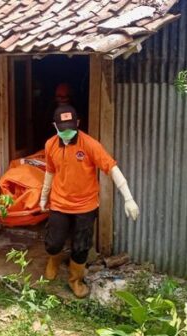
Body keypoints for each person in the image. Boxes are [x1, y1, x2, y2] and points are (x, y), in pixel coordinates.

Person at [39, 105, 139, 298]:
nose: (66, 132)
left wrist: (129, 198)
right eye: (62, 129)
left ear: (77, 124)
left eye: (70, 128)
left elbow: (111, 168)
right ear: (55, 126)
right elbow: (49, 171)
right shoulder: (50, 144)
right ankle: (53, 260)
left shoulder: (90, 144)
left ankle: (75, 280)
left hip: (85, 205)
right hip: (59, 202)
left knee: (81, 245)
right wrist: (44, 196)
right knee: (53, 242)